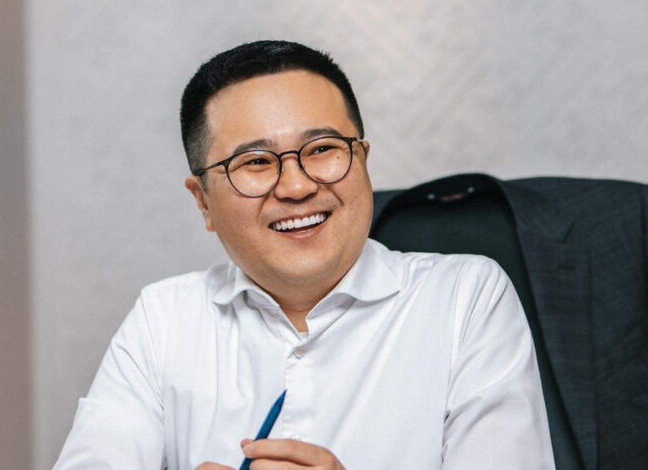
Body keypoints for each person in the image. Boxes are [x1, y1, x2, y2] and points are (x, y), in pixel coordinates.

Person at [53, 40, 555, 469]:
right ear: (203, 201)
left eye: (322, 150)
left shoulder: (465, 298)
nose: (296, 186)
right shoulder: (165, 319)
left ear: (362, 161)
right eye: (256, 161)